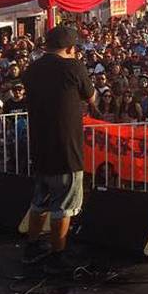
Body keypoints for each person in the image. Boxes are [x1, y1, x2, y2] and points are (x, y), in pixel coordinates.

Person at [22, 25, 95, 273]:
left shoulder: (32, 69)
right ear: (71, 48)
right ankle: (58, 255)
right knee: (64, 205)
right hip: (66, 147)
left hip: (40, 145)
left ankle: (32, 247)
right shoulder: (73, 67)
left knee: (40, 200)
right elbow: (90, 96)